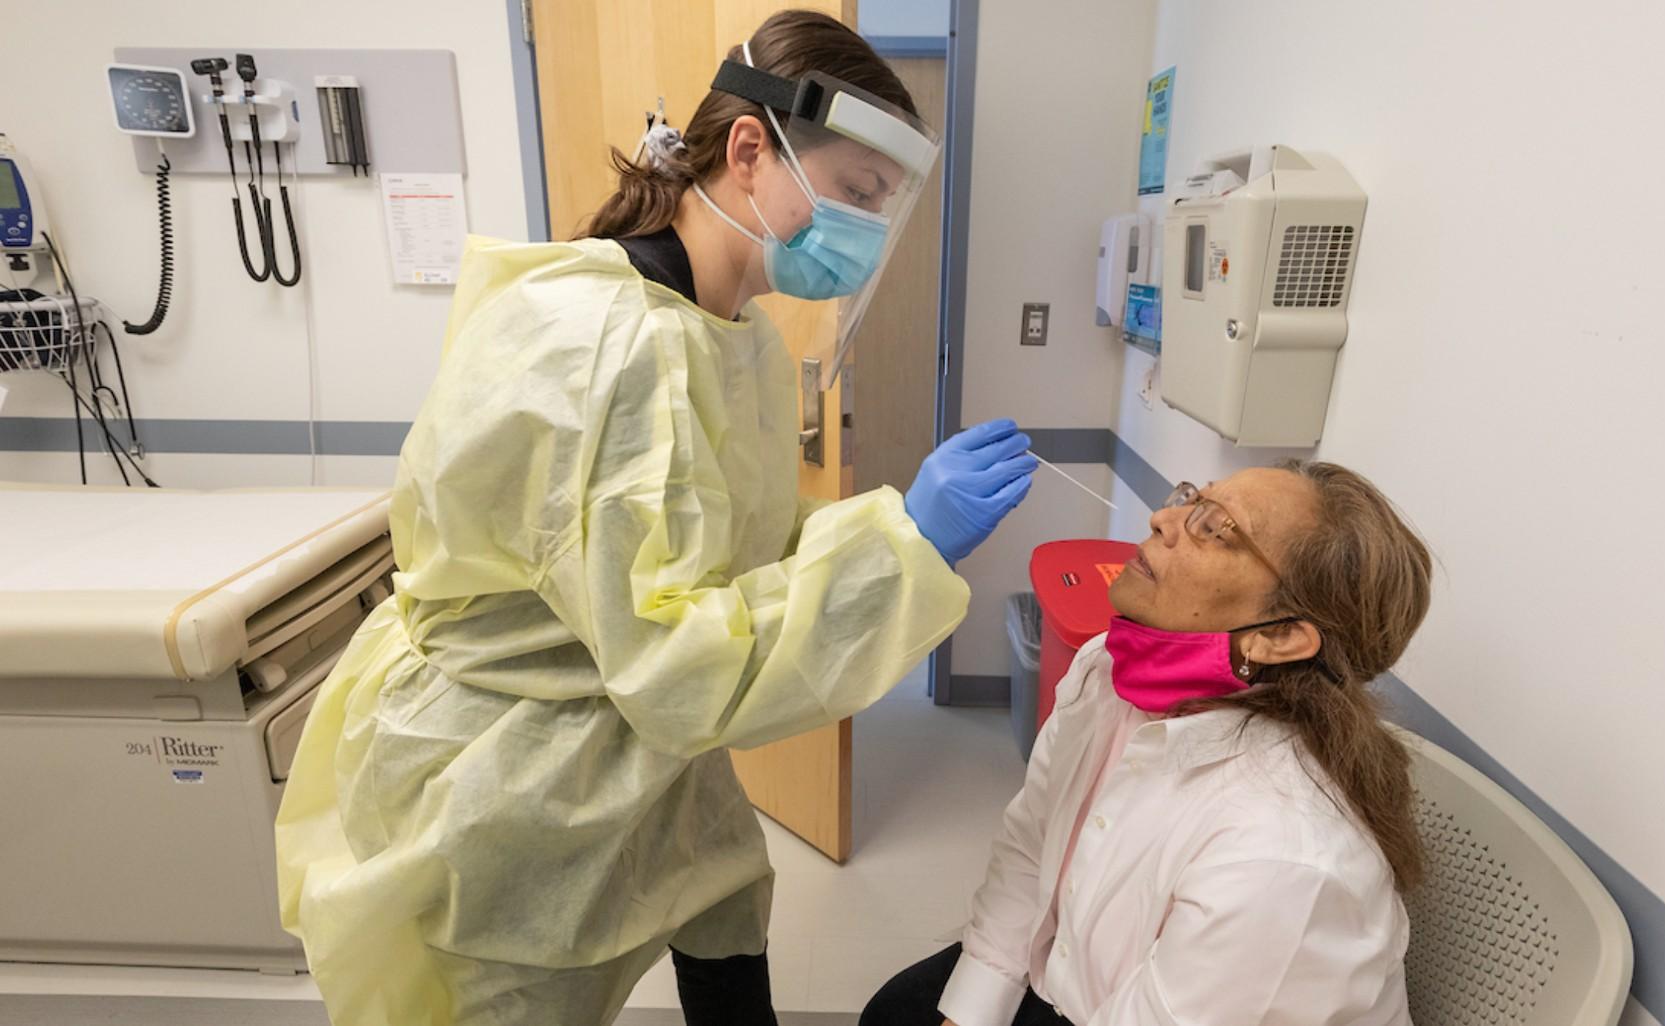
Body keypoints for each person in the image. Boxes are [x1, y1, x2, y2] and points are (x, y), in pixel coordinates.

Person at [275, 12, 1036, 1026]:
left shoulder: (736, 338)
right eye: (855, 194)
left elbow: (733, 556)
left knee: (723, 900)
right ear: (751, 149)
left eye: (880, 205)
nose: (863, 229)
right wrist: (905, 549)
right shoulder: (605, 343)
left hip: (635, 740)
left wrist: (894, 525)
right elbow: (681, 655)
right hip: (519, 770)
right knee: (523, 990)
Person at [862, 461, 1434, 1026]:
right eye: (1190, 499)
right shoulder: (1105, 672)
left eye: (1215, 527)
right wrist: (972, 1011)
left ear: (1279, 636)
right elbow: (1032, 848)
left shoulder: (1284, 857)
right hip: (1079, 978)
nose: (1163, 518)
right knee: (893, 1013)